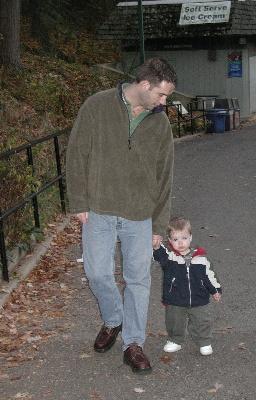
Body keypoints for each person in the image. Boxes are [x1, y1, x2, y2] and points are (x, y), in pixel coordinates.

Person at [66, 58, 177, 374]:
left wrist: (159, 224)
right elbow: (77, 153)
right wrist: (79, 201)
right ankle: (113, 319)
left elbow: (165, 177)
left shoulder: (160, 123)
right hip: (99, 210)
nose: (164, 102)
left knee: (138, 280)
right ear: (145, 85)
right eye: (162, 94)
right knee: (97, 272)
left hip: (140, 215)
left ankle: (133, 344)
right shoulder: (97, 106)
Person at [152, 216, 222, 355]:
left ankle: (204, 341)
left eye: (184, 238)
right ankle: (175, 340)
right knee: (174, 320)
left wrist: (216, 290)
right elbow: (160, 256)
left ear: (190, 237)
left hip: (199, 298)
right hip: (175, 298)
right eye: (176, 239)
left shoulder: (201, 258)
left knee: (202, 320)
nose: (180, 243)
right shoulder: (170, 257)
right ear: (170, 241)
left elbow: (210, 275)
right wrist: (156, 247)